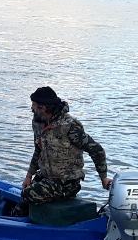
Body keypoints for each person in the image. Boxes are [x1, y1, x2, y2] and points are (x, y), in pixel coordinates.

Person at [10, 86, 112, 217]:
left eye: (34, 105)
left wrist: (103, 178)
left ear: (43, 108)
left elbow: (97, 150)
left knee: (29, 194)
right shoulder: (38, 123)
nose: (32, 108)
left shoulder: (70, 126)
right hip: (46, 177)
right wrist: (29, 176)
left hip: (67, 182)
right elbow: (38, 151)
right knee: (22, 201)